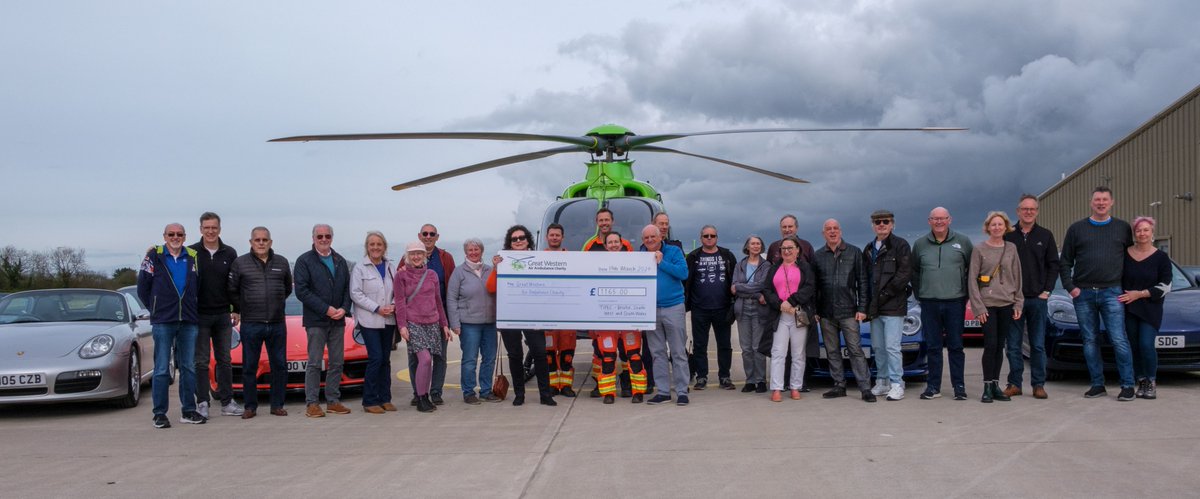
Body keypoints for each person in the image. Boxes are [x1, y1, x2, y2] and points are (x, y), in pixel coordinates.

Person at [1059, 186, 1136, 400]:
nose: (1100, 203)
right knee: (1090, 340)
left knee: (1119, 339)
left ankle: (1128, 385)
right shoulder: (1076, 229)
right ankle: (1097, 384)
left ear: (1111, 202)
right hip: (1082, 293)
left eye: (1104, 200)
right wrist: (1070, 287)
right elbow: (1065, 261)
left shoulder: (1122, 228)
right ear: (1091, 203)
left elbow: (1130, 260)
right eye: (1097, 200)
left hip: (1112, 292)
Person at [137, 223, 204, 428]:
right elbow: (143, 288)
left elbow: (198, 286)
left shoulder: (192, 256)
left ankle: (189, 410)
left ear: (185, 237)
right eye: (171, 234)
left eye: (179, 234)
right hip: (163, 321)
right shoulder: (154, 256)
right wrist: (155, 308)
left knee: (188, 367)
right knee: (161, 368)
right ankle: (159, 413)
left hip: (188, 320)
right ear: (164, 236)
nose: (175, 237)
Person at [487, 225, 557, 407]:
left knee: (540, 353)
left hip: (533, 315)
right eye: (514, 239)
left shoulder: (539, 259)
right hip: (510, 315)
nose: (518, 241)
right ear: (509, 243)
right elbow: (491, 288)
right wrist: (496, 268)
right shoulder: (502, 261)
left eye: (522, 238)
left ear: (528, 241)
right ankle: (519, 393)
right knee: (515, 355)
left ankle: (545, 394)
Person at [228, 226, 293, 419]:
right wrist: (243, 307)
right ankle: (250, 406)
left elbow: (287, 288)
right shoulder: (240, 263)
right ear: (251, 242)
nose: (261, 243)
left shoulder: (281, 262)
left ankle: (277, 405)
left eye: (265, 240)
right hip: (251, 323)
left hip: (276, 323)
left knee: (279, 365)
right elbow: (232, 290)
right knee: (250, 366)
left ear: (270, 242)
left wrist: (276, 303)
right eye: (257, 240)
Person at [912, 207, 974, 400]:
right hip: (929, 303)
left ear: (950, 220)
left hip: (955, 302)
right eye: (935, 219)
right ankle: (933, 387)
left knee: (956, 345)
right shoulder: (920, 244)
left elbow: (971, 270)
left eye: (943, 218)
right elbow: (914, 271)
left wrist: (967, 296)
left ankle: (959, 387)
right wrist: (920, 293)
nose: (939, 222)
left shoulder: (963, 242)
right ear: (929, 221)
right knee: (933, 346)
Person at [1002, 195, 1060, 399]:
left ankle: (1038, 384)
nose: (1028, 212)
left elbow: (1054, 265)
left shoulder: (1045, 235)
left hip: (1037, 299)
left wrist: (1047, 290)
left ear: (1037, 211)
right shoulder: (1008, 236)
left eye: (1032, 209)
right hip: (1013, 300)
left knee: (1037, 345)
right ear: (1018, 211)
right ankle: (1014, 384)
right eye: (1024, 209)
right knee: (1013, 345)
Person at [811, 219, 874, 402]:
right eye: (828, 229)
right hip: (825, 313)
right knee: (832, 351)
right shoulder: (818, 255)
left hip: (849, 311)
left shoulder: (854, 252)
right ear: (823, 233)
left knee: (855, 350)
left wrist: (862, 308)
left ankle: (865, 388)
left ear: (841, 231)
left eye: (835, 228)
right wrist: (815, 309)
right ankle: (839, 385)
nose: (832, 232)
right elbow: (814, 287)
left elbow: (862, 282)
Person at [294, 224, 353, 418]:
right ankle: (312, 403)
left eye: (327, 236)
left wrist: (344, 309)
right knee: (314, 363)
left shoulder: (339, 261)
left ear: (332, 237)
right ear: (313, 238)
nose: (324, 239)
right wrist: (326, 309)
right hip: (316, 321)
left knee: (337, 362)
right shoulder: (304, 261)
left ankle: (333, 401)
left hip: (337, 320)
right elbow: (302, 291)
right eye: (320, 236)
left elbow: (347, 289)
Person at [188, 212, 243, 418]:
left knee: (225, 360)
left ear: (219, 229)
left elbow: (234, 284)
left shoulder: (230, 253)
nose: (210, 231)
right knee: (201, 361)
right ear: (201, 229)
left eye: (214, 227)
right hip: (199, 315)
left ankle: (227, 402)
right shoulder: (191, 252)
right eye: (206, 227)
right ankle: (202, 401)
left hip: (222, 315)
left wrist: (236, 308)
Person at [967, 212, 1023, 403]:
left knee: (1000, 346)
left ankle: (996, 385)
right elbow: (972, 280)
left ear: (1005, 226)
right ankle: (986, 387)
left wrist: (1018, 302)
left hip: (1007, 303)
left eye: (1000, 224)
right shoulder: (979, 249)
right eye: (993, 224)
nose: (997, 227)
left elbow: (1017, 277)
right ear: (988, 227)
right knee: (990, 345)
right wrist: (978, 308)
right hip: (988, 305)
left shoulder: (1011, 248)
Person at [394, 241, 455, 413]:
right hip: (413, 323)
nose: (416, 256)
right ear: (407, 256)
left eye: (419, 253)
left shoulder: (432, 275)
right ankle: (420, 397)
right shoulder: (401, 276)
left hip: (433, 322)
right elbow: (399, 302)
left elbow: (437, 301)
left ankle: (425, 396)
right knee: (425, 359)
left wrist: (444, 324)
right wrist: (402, 326)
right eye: (412, 253)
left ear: (424, 255)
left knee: (428, 362)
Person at [1118, 216, 1172, 400]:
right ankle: (1140, 380)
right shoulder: (1125, 254)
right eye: (1139, 230)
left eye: (1146, 230)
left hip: (1150, 308)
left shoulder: (1161, 257)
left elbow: (1166, 286)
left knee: (1146, 344)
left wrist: (1139, 294)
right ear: (1135, 233)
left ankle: (1151, 381)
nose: (1142, 233)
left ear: (1152, 233)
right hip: (1128, 308)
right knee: (1133, 346)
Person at [591, 232, 648, 404]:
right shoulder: (595, 265)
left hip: (629, 321)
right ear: (605, 246)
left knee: (634, 357)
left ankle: (638, 391)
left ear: (622, 244)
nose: (614, 245)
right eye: (610, 242)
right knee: (607, 358)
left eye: (616, 241)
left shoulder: (635, 263)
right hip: (607, 322)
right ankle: (608, 393)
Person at [862, 210, 912, 401]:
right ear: (872, 225)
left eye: (885, 221)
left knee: (892, 347)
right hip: (875, 308)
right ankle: (882, 381)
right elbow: (865, 278)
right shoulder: (868, 248)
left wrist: (885, 294)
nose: (881, 225)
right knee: (878, 347)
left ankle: (897, 383)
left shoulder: (900, 245)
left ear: (892, 224)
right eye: (877, 222)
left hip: (893, 306)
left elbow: (904, 274)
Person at [640, 224, 691, 406]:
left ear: (660, 236)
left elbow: (683, 273)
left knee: (678, 352)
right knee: (657, 353)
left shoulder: (674, 252)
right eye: (646, 238)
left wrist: (662, 262)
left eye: (652, 237)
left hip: (673, 307)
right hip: (650, 310)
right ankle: (663, 391)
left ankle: (682, 391)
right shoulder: (639, 256)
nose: (649, 240)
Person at [446, 238, 500, 405]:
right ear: (465, 252)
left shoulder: (490, 270)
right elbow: (451, 299)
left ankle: (486, 391)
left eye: (477, 249)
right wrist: (455, 323)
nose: (474, 252)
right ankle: (468, 392)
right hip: (469, 324)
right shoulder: (459, 272)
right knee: (470, 359)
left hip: (490, 323)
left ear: (482, 251)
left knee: (489, 358)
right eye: (470, 250)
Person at [762, 235, 816, 403]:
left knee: (798, 353)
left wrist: (792, 301)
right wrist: (780, 304)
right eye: (783, 248)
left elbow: (809, 287)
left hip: (798, 315)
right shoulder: (774, 268)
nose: (786, 251)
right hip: (780, 316)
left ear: (797, 250)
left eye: (790, 248)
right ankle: (777, 388)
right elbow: (767, 289)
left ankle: (795, 386)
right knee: (778, 352)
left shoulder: (805, 267)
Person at [349, 231, 398, 414]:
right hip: (369, 320)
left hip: (389, 319)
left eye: (379, 244)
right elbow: (356, 293)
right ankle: (369, 400)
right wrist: (377, 308)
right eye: (372, 244)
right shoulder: (360, 268)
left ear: (384, 247)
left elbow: (398, 292)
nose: (375, 247)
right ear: (367, 247)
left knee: (385, 360)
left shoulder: (391, 267)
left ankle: (385, 398)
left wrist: (392, 306)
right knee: (376, 358)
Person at [685, 225, 737, 390]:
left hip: (722, 307)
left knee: (724, 344)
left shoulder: (727, 255)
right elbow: (687, 280)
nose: (709, 238)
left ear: (717, 237)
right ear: (701, 238)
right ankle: (701, 377)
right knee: (700, 345)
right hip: (699, 308)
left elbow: (735, 278)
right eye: (706, 236)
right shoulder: (693, 256)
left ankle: (725, 377)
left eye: (712, 236)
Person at [541, 223, 577, 398]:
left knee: (567, 353)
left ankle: (567, 385)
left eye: (557, 235)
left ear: (562, 237)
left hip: (568, 314)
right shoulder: (538, 258)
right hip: (547, 315)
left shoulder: (572, 258)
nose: (554, 238)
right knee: (548, 354)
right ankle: (553, 386)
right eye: (552, 235)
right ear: (547, 237)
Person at [732, 235, 771, 393]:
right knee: (746, 348)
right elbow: (734, 286)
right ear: (747, 246)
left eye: (758, 244)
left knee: (757, 347)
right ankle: (750, 380)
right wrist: (756, 293)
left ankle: (761, 380)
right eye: (752, 243)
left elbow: (762, 284)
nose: (755, 246)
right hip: (742, 309)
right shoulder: (740, 264)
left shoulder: (766, 265)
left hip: (759, 310)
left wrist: (743, 288)